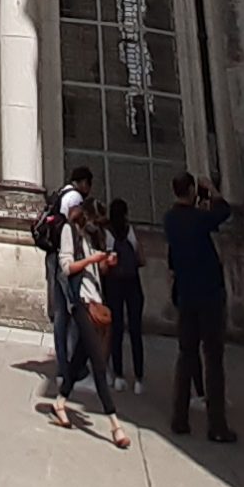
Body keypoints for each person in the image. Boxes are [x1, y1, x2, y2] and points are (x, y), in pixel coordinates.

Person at [47, 184, 131, 449]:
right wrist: (93, 260)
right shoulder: (68, 232)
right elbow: (67, 267)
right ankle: (115, 425)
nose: (99, 227)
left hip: (95, 300)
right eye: (97, 221)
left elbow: (96, 271)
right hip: (81, 304)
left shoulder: (89, 238)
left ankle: (60, 401)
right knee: (98, 361)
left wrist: (105, 262)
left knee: (79, 359)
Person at [163, 171, 235, 443]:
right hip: (208, 294)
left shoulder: (171, 219)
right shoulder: (197, 218)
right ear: (192, 190)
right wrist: (212, 190)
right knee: (213, 359)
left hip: (186, 294)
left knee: (186, 355)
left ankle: (180, 417)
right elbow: (224, 211)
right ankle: (217, 424)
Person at [42, 165, 92, 397]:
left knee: (61, 315)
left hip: (54, 256)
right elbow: (74, 224)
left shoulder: (61, 193)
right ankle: (73, 367)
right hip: (66, 257)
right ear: (83, 183)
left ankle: (63, 366)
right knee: (74, 314)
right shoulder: (75, 198)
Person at [105, 195, 147, 394]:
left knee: (117, 330)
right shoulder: (130, 231)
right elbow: (141, 259)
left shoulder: (108, 234)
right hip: (132, 283)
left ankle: (118, 375)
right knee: (136, 331)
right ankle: (138, 378)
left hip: (114, 284)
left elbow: (106, 263)